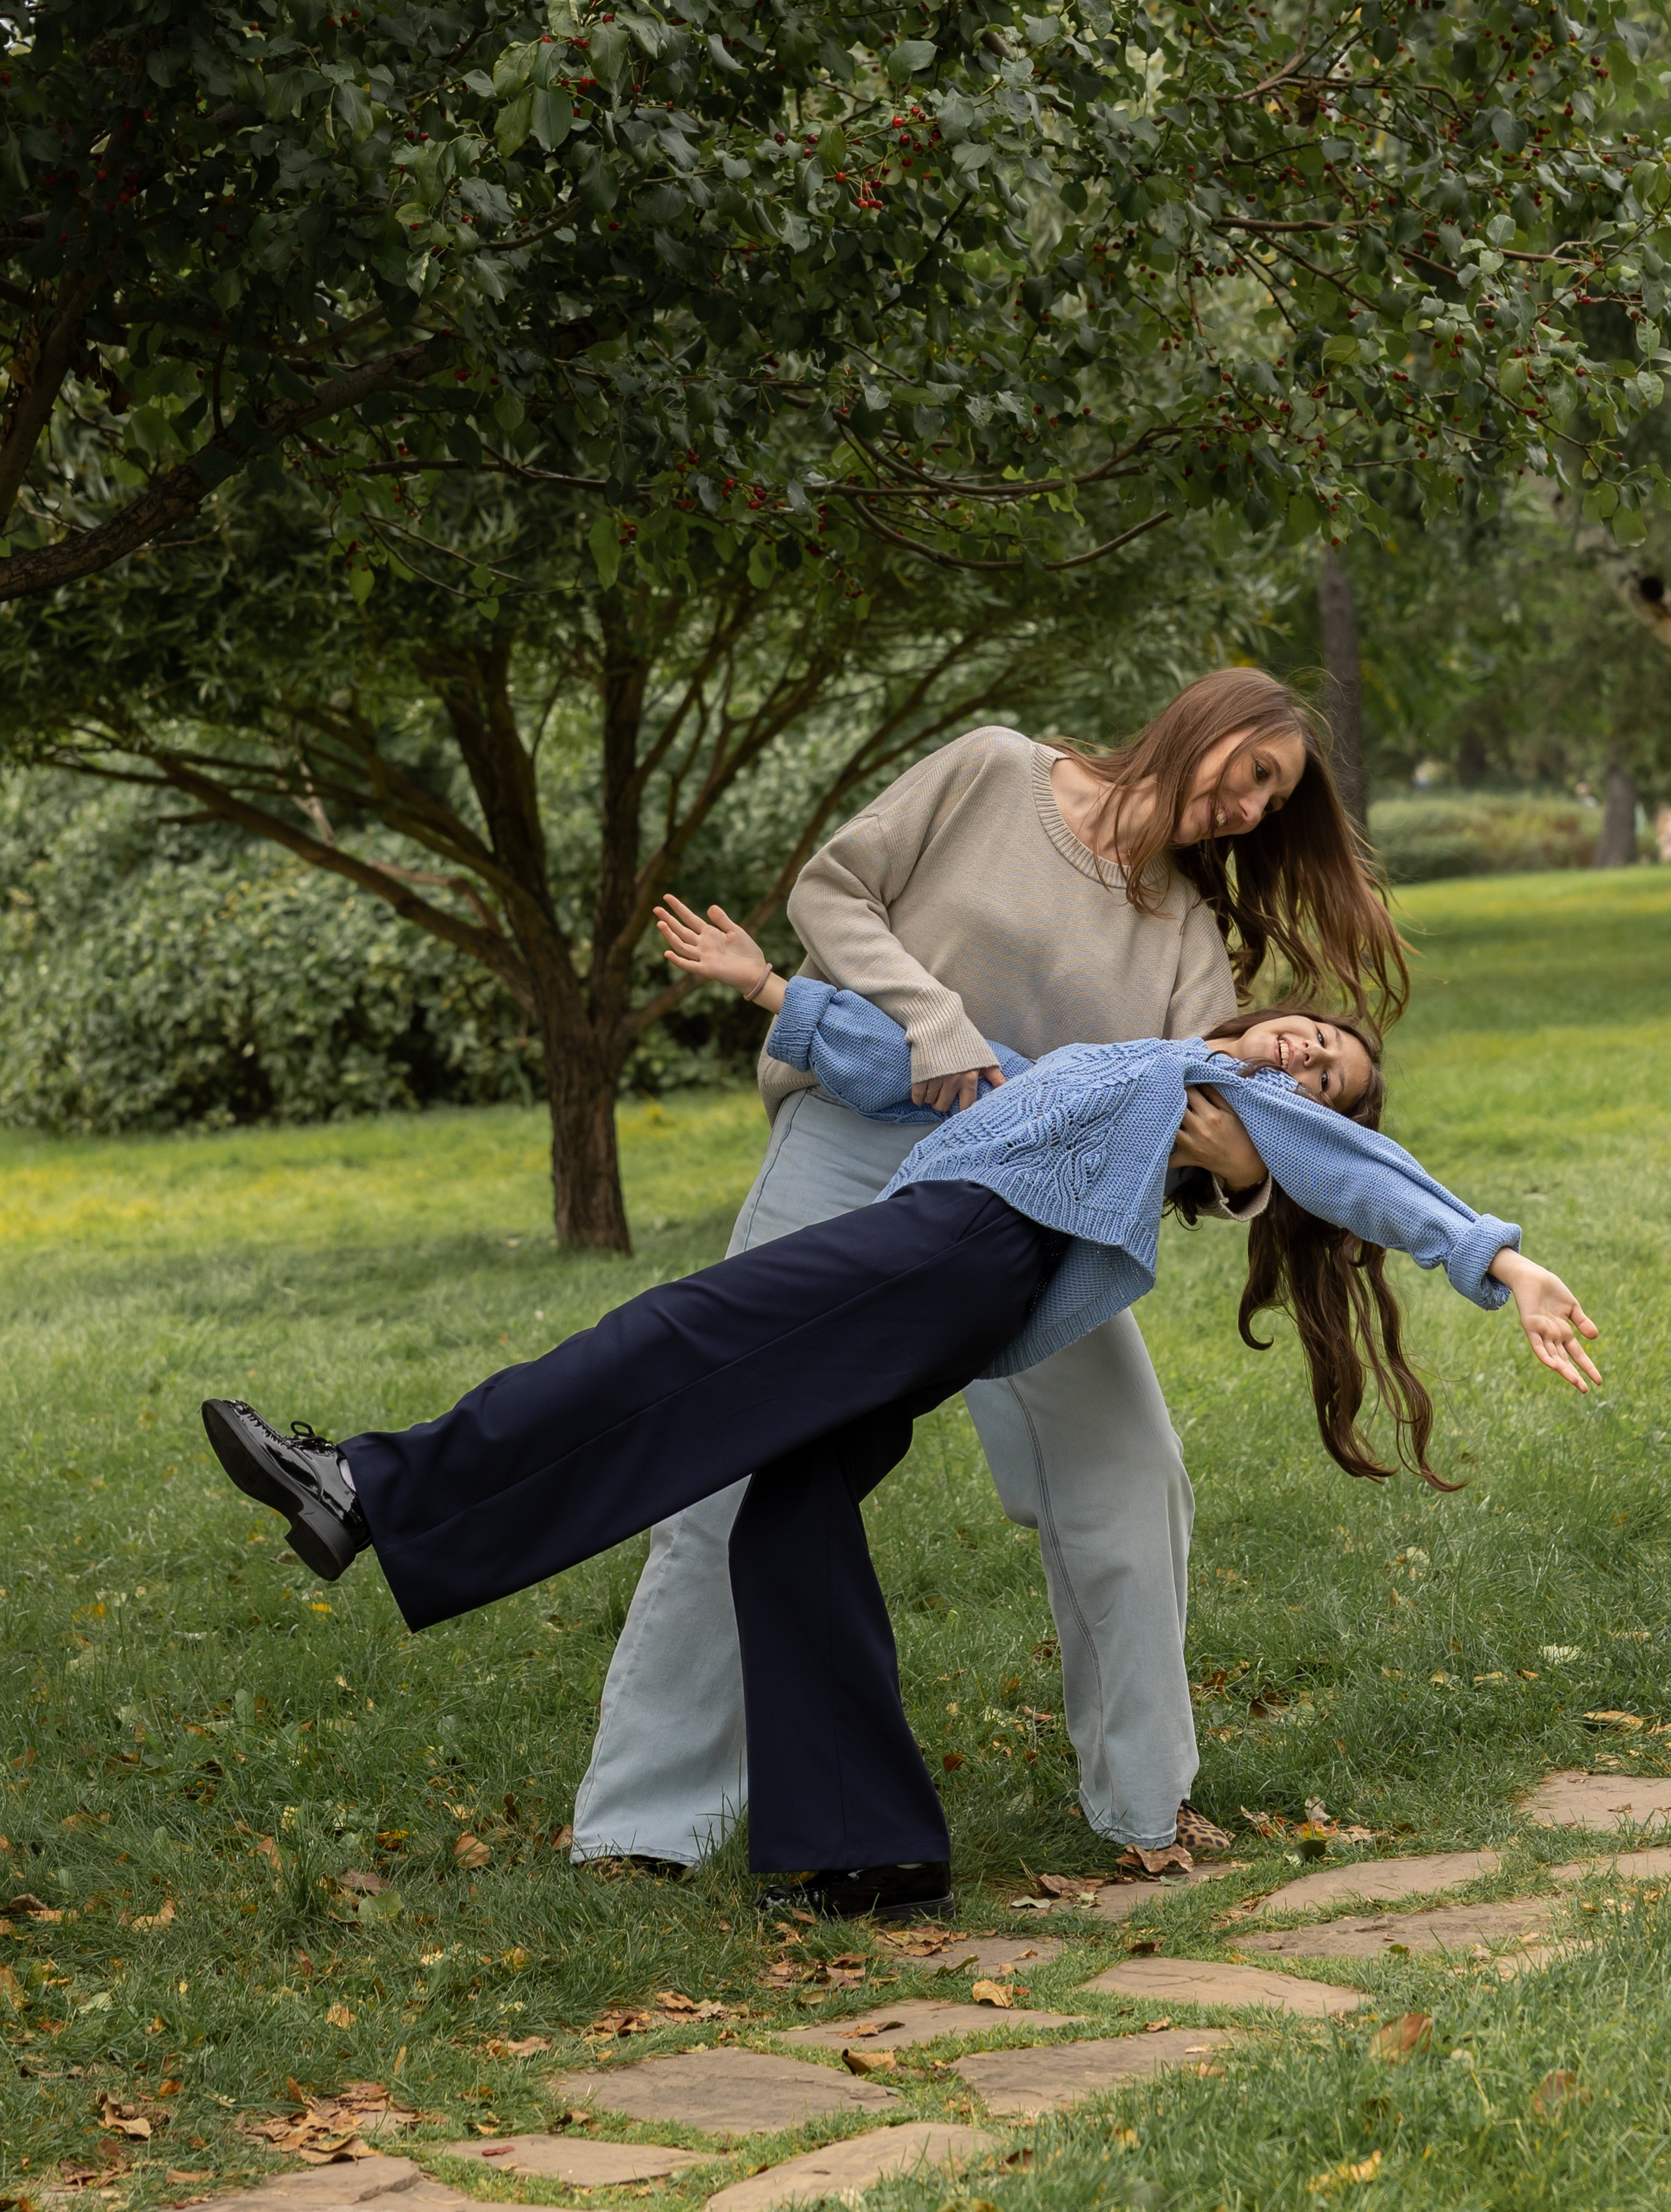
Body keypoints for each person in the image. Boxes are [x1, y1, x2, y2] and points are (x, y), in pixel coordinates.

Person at [200, 947, 1597, 1923]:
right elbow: (921, 1068)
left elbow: (1367, 1177)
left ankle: (371, 1483)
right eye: (1311, 1034)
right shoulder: (1125, 1061)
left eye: (1334, 1074)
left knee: (673, 1341)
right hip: (934, 1256)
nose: (1314, 1059)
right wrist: (769, 991)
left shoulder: (1233, 1104)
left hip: (946, 1254)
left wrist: (1500, 1261)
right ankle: (865, 1851)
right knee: (788, 1518)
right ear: (1262, 1009)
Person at [570, 670, 1409, 1881]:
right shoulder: (994, 770)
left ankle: (1148, 1807)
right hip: (859, 1147)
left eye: (1272, 803)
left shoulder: (1184, 935)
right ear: (1209, 719)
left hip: (1030, 1212)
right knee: (733, 1451)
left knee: (1132, 1475)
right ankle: (642, 1829)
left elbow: (1209, 1099)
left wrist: (1236, 1174)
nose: (1248, 809)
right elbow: (829, 891)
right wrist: (931, 1018)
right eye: (1256, 773)